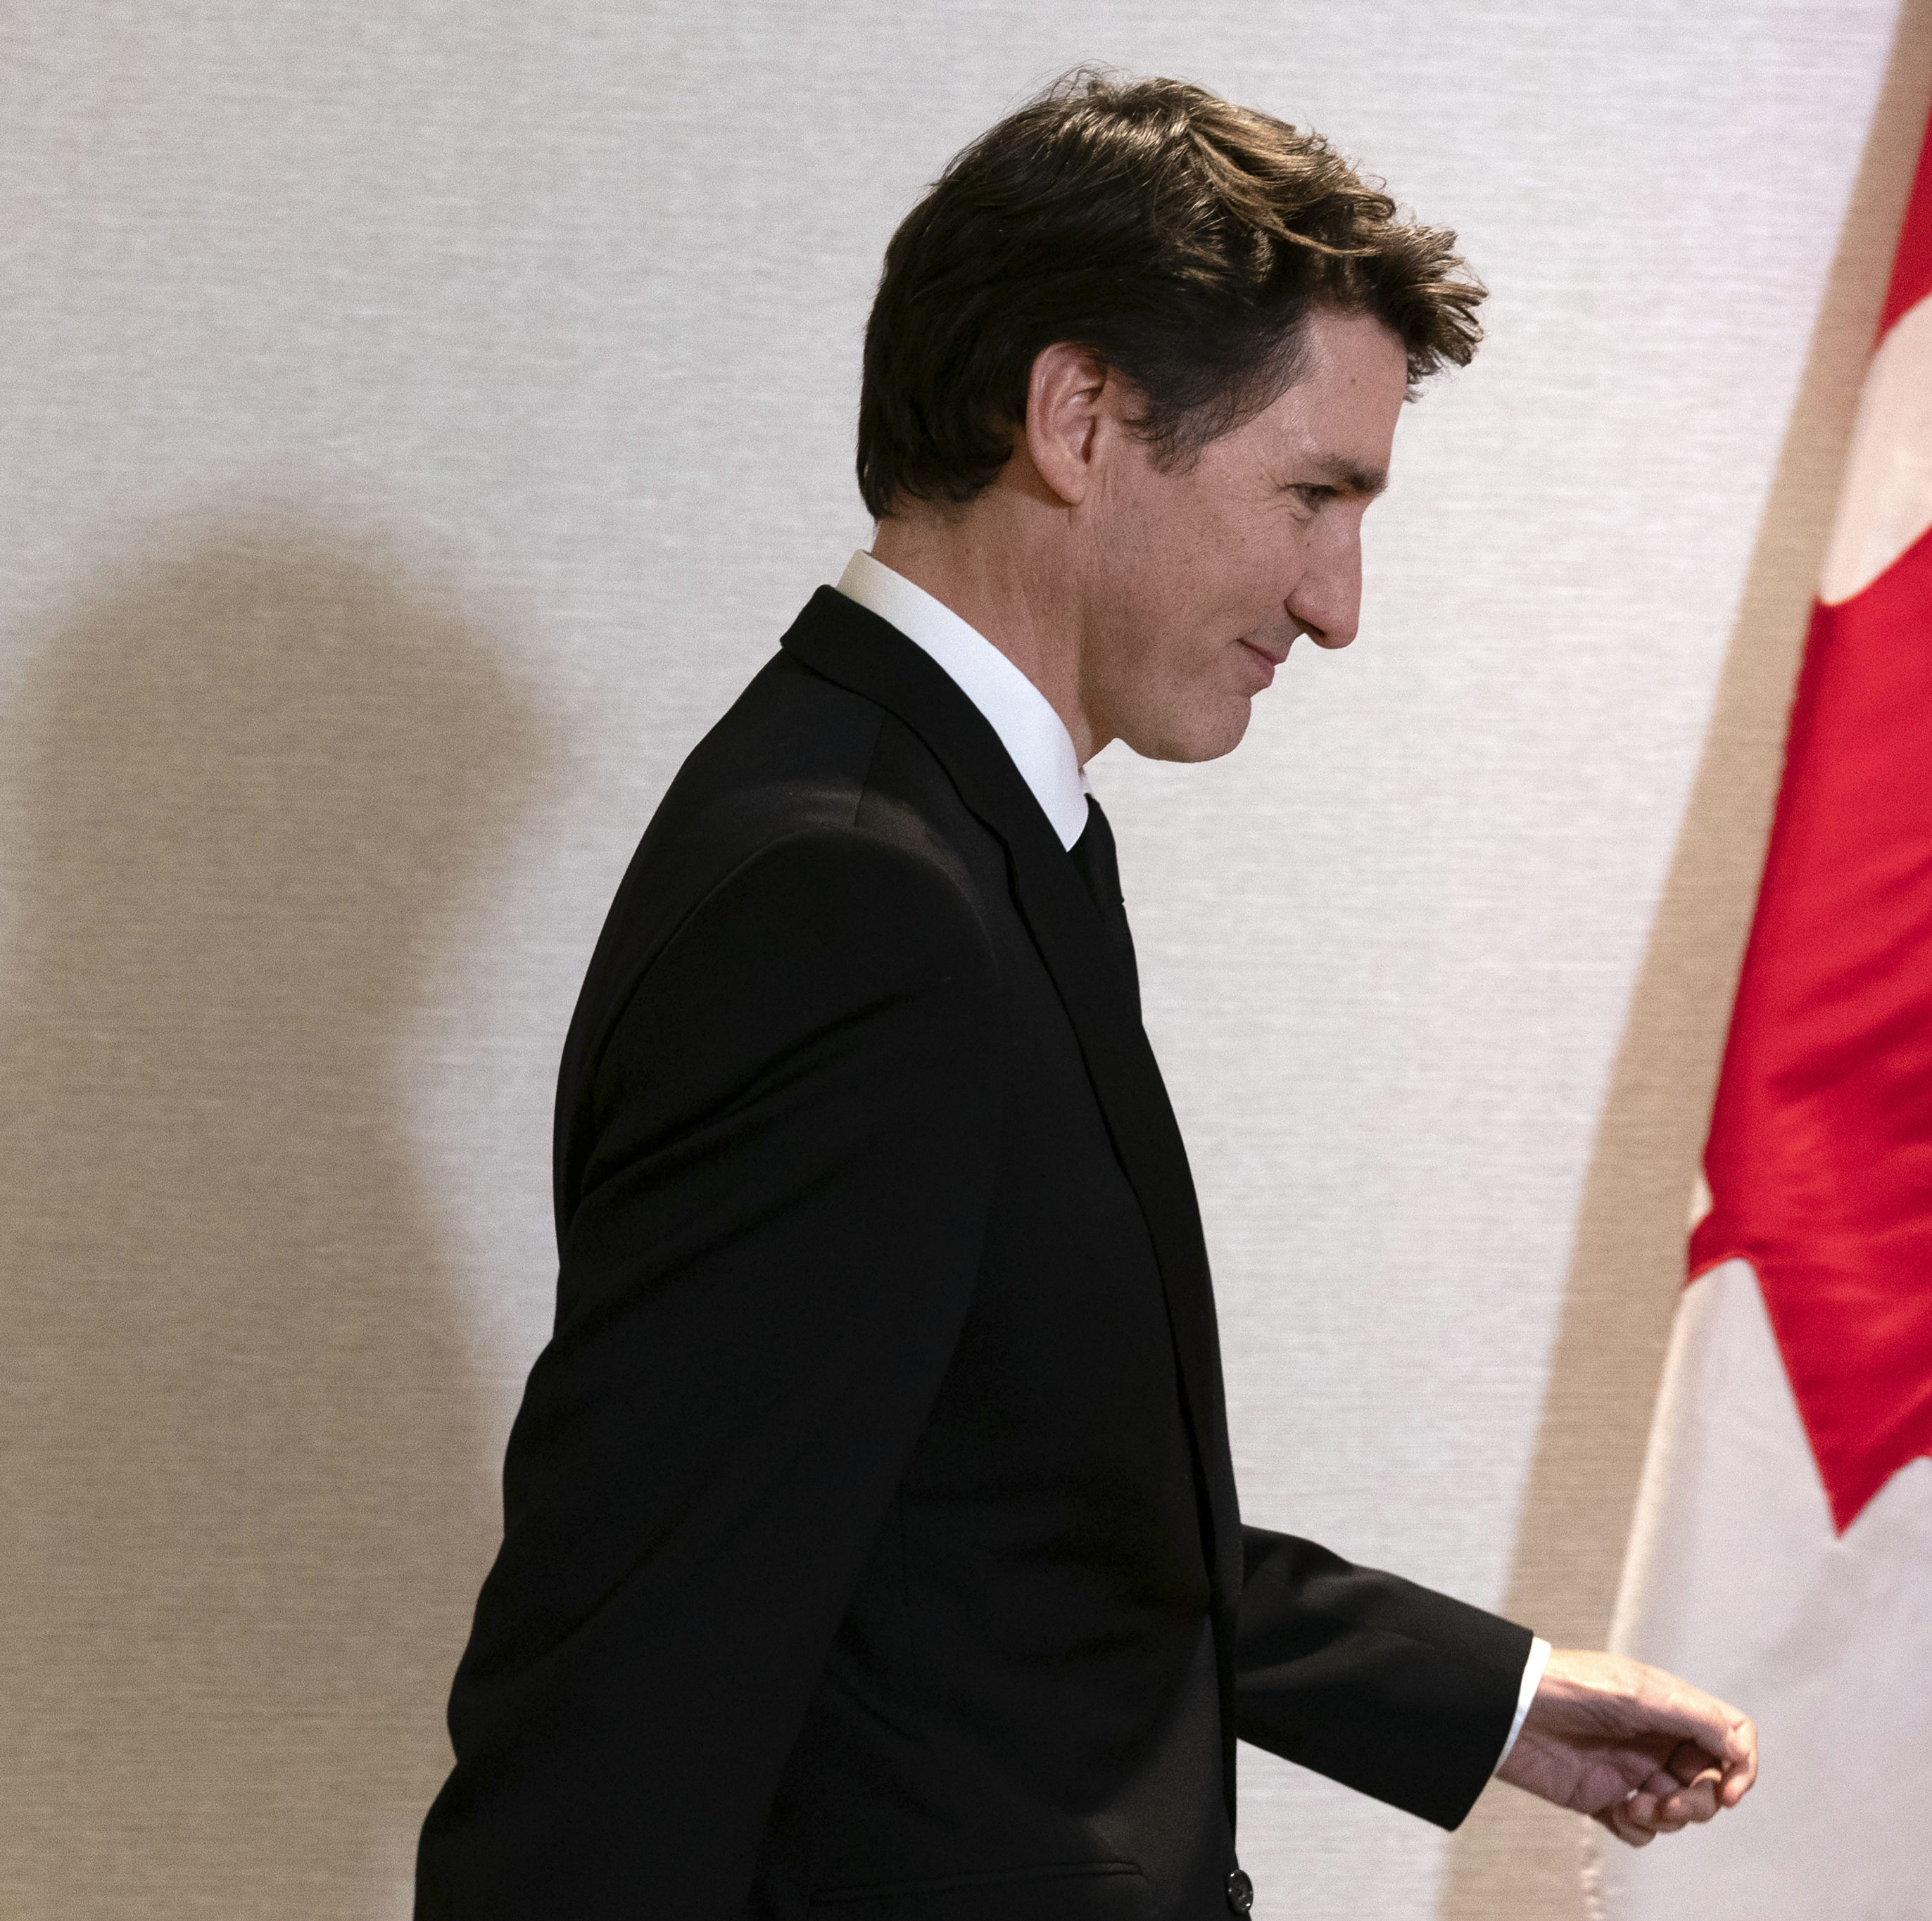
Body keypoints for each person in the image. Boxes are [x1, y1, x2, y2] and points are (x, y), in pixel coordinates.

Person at [415, 68, 1756, 1921]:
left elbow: (985, 1504)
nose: (1341, 599)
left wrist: (1487, 1697)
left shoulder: (967, 829)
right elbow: (618, 1704)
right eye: (1313, 493)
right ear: (1081, 416)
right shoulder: (855, 895)